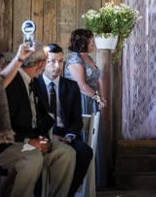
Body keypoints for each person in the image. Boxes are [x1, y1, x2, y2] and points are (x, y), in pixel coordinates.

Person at [0, 41, 76, 197]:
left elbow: (40, 118)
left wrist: (45, 138)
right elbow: (3, 124)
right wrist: (28, 141)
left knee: (66, 152)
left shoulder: (32, 81)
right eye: (47, 60)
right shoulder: (12, 83)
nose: (49, 65)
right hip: (9, 145)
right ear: (40, 64)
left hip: (33, 141)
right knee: (32, 156)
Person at [35, 43, 93, 197]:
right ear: (42, 62)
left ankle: (67, 194)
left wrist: (68, 137)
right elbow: (34, 120)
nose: (57, 66)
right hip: (44, 135)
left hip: (67, 134)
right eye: (52, 61)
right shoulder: (34, 85)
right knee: (36, 154)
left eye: (60, 61)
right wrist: (49, 136)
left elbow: (77, 120)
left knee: (85, 152)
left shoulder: (72, 86)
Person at [65, 28, 107, 187]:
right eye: (90, 41)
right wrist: (98, 97)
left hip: (93, 100)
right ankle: (81, 182)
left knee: (95, 135)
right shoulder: (76, 60)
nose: (93, 44)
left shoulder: (88, 57)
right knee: (85, 134)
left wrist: (101, 97)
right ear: (82, 42)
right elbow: (81, 86)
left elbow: (97, 80)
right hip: (82, 101)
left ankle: (95, 180)